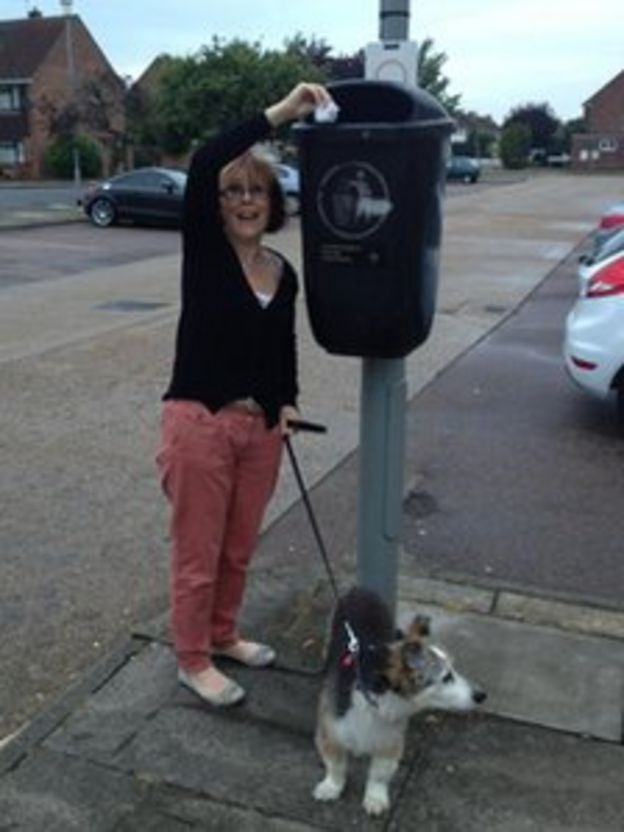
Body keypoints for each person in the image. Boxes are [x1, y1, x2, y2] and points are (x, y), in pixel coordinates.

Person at [156, 82, 334, 707]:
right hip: (201, 421)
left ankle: (223, 636)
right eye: (233, 192)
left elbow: (280, 345)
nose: (245, 201)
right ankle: (192, 657)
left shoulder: (282, 272)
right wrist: (281, 114)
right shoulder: (204, 252)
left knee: (237, 549)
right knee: (198, 552)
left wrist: (285, 399)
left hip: (260, 432)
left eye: (256, 190)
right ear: (217, 203)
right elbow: (208, 158)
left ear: (272, 202)